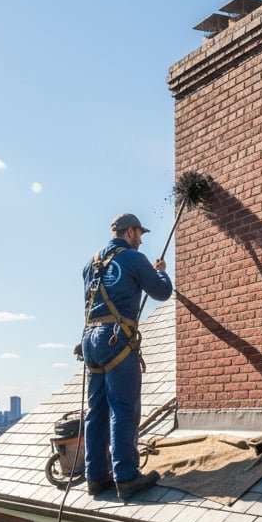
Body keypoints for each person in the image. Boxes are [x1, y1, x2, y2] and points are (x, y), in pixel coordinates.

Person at [81, 213, 173, 500]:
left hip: (90, 341)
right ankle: (126, 476)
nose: (142, 240)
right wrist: (161, 271)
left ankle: (95, 477)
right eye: (140, 234)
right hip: (117, 338)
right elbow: (162, 291)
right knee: (123, 408)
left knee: (96, 411)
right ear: (129, 231)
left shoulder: (91, 264)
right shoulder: (134, 259)